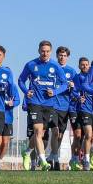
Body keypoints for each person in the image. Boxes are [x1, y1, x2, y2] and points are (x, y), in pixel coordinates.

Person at [18, 40, 67, 171]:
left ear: (50, 52)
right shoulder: (31, 64)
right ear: (39, 51)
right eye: (42, 51)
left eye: (47, 51)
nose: (45, 53)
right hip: (34, 102)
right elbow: (21, 80)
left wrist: (55, 91)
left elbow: (65, 84)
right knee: (38, 131)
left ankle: (27, 151)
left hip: (49, 104)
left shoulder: (55, 66)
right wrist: (26, 91)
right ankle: (44, 161)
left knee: (40, 132)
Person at [47, 46, 78, 171]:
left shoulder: (72, 71)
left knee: (60, 134)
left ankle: (53, 156)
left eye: (65, 55)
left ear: (68, 57)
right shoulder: (52, 67)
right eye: (60, 55)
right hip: (52, 105)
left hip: (65, 107)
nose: (62, 57)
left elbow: (76, 91)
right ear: (57, 56)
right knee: (54, 131)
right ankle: (55, 159)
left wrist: (73, 86)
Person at [70, 57, 93, 170]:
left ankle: (86, 158)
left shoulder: (92, 77)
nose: (84, 66)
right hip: (76, 110)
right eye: (82, 64)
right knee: (78, 136)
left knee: (89, 136)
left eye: (86, 64)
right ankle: (74, 159)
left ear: (89, 65)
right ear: (79, 66)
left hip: (90, 110)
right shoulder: (76, 77)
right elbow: (73, 91)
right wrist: (79, 97)